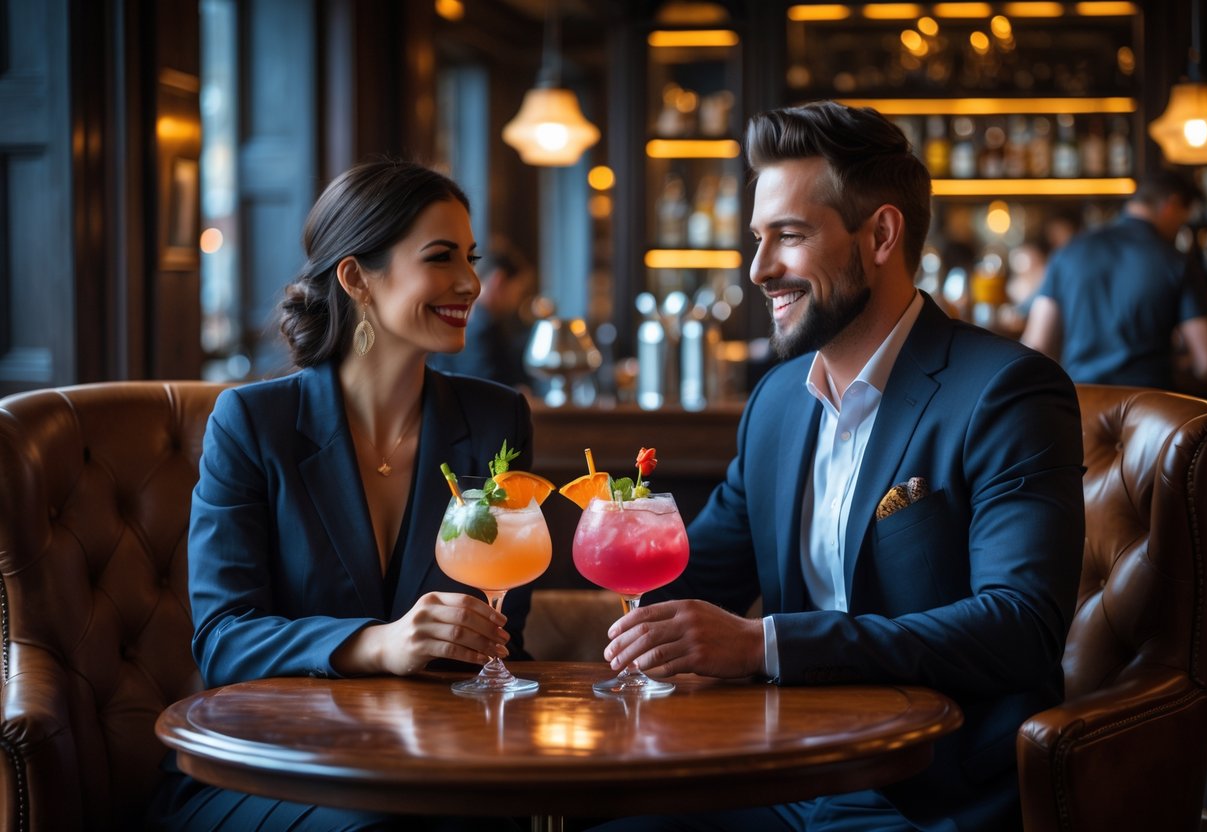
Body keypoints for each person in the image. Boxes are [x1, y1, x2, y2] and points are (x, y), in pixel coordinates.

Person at [594, 102, 1085, 832]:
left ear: (880, 234)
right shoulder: (775, 405)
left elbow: (1016, 627)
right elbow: (695, 579)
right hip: (779, 771)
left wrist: (762, 644)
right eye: (758, 238)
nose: (759, 269)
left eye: (788, 236)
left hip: (927, 792)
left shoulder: (1005, 391)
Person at [148, 159, 532, 831]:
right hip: (269, 767)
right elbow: (224, 640)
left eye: (468, 257)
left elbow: (503, 635)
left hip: (442, 769)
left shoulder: (496, 421)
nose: (470, 282)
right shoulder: (252, 424)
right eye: (440, 258)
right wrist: (377, 645)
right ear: (356, 277)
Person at [1020, 170, 1207, 390]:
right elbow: (1206, 363)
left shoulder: (1068, 253)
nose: (1181, 227)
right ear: (1172, 205)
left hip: (1081, 406)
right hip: (1152, 411)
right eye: (1183, 218)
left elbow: (1037, 346)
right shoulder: (1178, 262)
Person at [428, 241, 536, 389]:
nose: (518, 300)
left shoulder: (483, 323)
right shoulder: (479, 329)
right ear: (499, 281)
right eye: (519, 291)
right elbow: (489, 389)